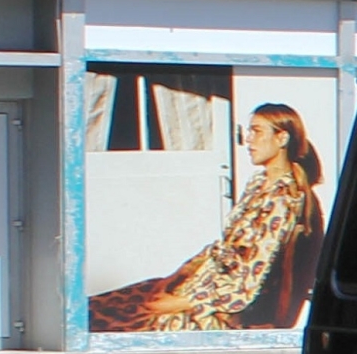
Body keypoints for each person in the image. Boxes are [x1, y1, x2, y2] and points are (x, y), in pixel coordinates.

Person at [88, 102, 325, 332]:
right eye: (248, 131)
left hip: (227, 305)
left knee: (127, 321)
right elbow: (226, 247)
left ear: (282, 138)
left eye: (257, 131)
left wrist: (185, 302)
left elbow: (252, 277)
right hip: (208, 280)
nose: (248, 140)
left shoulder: (282, 199)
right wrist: (177, 278)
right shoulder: (259, 183)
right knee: (108, 303)